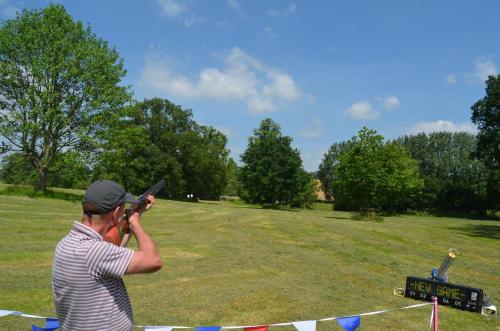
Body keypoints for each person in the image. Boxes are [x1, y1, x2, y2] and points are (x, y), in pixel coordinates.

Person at [52, 180, 163, 331]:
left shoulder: (67, 244)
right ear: (116, 212)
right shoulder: (94, 251)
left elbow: (111, 245)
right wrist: (135, 223)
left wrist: (136, 213)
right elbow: (153, 260)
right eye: (123, 209)